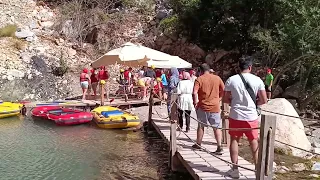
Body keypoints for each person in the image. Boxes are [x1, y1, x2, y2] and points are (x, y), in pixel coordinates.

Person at [223, 56, 267, 178]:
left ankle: (235, 170)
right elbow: (264, 100)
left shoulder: (231, 80)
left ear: (239, 67)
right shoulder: (257, 80)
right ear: (250, 67)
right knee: (253, 141)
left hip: (236, 115)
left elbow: (225, 99)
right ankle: (258, 170)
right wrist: (255, 104)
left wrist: (234, 102)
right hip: (251, 116)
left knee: (234, 140)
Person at [192, 63, 225, 155]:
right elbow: (224, 90)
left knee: (201, 125)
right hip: (215, 106)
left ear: (201, 71)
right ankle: (219, 146)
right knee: (216, 127)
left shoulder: (199, 79)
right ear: (209, 70)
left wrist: (195, 102)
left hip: (203, 106)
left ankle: (198, 144)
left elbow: (194, 92)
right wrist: (219, 99)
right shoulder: (217, 78)